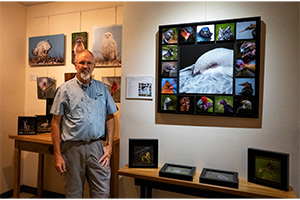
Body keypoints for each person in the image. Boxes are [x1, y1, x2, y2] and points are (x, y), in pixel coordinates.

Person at [50, 49, 118, 198]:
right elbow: (55, 123)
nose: (85, 66)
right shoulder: (64, 90)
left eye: (89, 63)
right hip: (72, 149)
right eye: (81, 62)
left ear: (94, 66)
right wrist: (57, 155)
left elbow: (110, 117)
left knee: (102, 193)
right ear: (75, 65)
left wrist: (109, 146)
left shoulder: (102, 89)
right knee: (73, 194)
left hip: (97, 149)